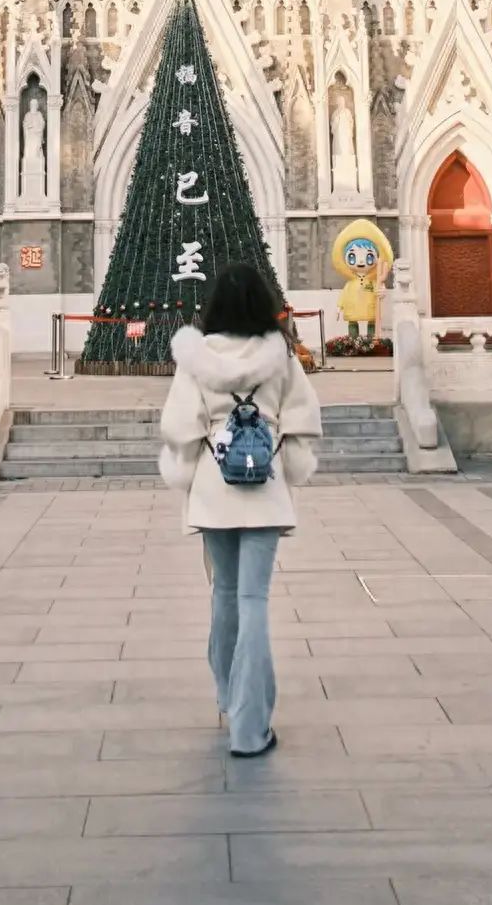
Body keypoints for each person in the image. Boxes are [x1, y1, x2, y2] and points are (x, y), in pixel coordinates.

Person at [159, 265, 322, 758]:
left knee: (224, 595)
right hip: (265, 486)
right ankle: (251, 730)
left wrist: (188, 470)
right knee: (253, 601)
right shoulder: (280, 356)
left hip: (214, 487)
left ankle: (228, 697)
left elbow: (180, 428)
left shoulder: (196, 360)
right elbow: (301, 421)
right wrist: (288, 460)